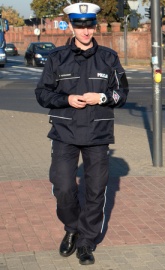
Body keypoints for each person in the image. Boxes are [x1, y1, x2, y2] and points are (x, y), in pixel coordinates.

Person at [34, 2, 129, 266]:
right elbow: (42, 94)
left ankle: (87, 242)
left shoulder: (109, 58)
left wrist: (101, 96)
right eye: (80, 25)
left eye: (89, 25)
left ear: (94, 25)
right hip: (64, 132)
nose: (85, 31)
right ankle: (72, 227)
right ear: (71, 26)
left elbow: (122, 94)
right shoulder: (56, 57)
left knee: (96, 191)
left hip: (98, 134)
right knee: (64, 187)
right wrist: (67, 99)